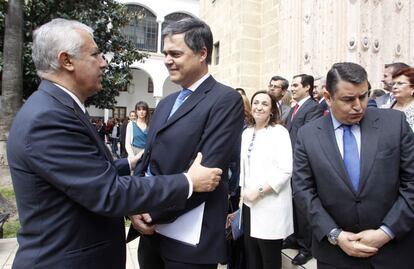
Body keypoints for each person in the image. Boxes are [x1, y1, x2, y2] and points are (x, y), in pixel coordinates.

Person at [6, 18, 223, 269]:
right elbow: (108, 193)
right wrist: (188, 181)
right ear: (67, 61)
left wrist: (127, 164)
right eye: (96, 54)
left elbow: (81, 173)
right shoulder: (48, 118)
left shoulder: (55, 107)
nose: (104, 63)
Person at [128, 17, 244, 269]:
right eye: (165, 53)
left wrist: (153, 212)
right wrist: (136, 207)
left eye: (176, 53)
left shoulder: (225, 100)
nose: (168, 60)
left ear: (202, 53)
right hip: (150, 233)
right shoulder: (166, 103)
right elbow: (147, 159)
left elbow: (207, 172)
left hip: (189, 241)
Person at [292, 62, 414, 269]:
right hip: (335, 255)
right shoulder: (308, 135)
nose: (359, 106)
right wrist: (334, 234)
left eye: (363, 96)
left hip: (393, 252)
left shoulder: (395, 123)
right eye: (348, 99)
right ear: (328, 97)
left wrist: (386, 232)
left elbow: (411, 182)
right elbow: (303, 190)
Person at [240, 91, 293, 269]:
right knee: (252, 258)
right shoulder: (246, 133)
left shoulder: (279, 132)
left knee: (269, 261)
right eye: (256, 103)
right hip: (248, 205)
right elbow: (244, 169)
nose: (259, 107)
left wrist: (259, 190)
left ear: (272, 110)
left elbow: (285, 170)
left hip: (269, 204)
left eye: (264, 104)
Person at [284, 73, 322, 266]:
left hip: (302, 164)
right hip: (289, 164)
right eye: (291, 85)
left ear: (307, 87)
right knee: (292, 205)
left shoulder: (313, 108)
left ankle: (307, 248)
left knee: (303, 206)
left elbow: (307, 137)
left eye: (296, 85)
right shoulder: (294, 109)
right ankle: (294, 238)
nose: (292, 88)